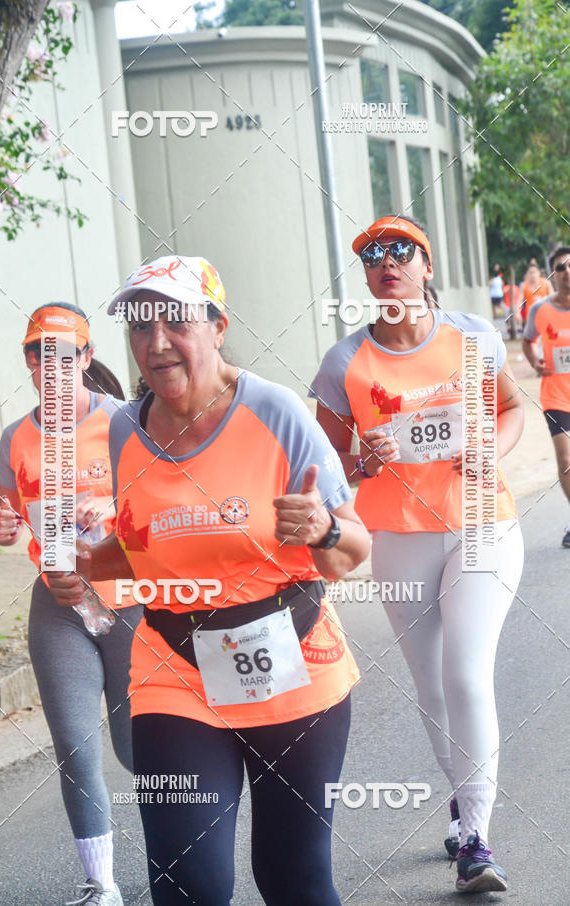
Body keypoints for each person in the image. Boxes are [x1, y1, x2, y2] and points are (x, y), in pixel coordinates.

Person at [47, 256, 371, 906]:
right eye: (140, 326)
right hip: (176, 673)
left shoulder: (276, 412)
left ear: (218, 326)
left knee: (294, 880)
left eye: (176, 320)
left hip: (295, 667)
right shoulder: (124, 429)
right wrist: (82, 570)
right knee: (186, 882)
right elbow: (147, 552)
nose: (156, 341)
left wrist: (322, 531)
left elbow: (352, 552)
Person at [310, 216, 525, 893]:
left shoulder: (471, 338)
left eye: (400, 250)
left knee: (465, 672)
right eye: (372, 257)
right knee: (432, 689)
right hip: (399, 537)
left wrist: (493, 450)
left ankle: (477, 841)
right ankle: (463, 800)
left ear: (425, 265)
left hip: (482, 525)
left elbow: (514, 410)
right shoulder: (347, 363)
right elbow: (325, 468)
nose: (386, 263)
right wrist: (359, 459)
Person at [0, 303, 142, 906]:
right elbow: (10, 516)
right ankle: (101, 885)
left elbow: (162, 500)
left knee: (138, 751)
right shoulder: (16, 438)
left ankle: (184, 845)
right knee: (75, 748)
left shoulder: (128, 421)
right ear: (27, 361)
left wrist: (113, 510)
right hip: (58, 605)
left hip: (131, 601)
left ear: (84, 357)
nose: (48, 364)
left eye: (62, 352)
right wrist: (3, 526)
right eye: (36, 353)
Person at [522, 246, 570, 547]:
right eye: (561, 267)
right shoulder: (540, 310)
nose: (567, 272)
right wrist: (535, 362)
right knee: (566, 459)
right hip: (556, 396)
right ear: (553, 274)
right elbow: (528, 342)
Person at [519, 259, 553, 326]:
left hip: (545, 316)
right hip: (530, 318)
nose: (532, 274)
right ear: (527, 274)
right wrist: (517, 313)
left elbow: (553, 298)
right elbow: (519, 301)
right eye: (530, 272)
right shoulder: (524, 286)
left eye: (534, 272)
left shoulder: (546, 283)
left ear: (539, 272)